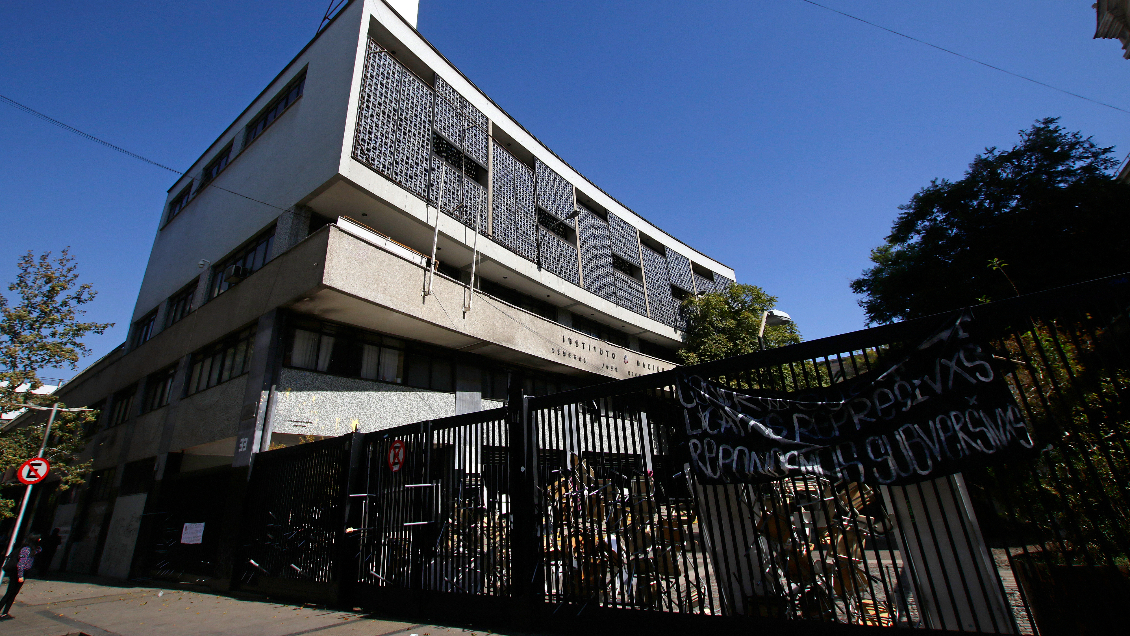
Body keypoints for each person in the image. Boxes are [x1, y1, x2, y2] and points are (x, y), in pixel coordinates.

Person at [0, 536, 41, 619]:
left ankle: (5, 612)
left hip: (23, 573)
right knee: (9, 593)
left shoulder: (32, 549)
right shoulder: (26, 549)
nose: (40, 540)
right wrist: (20, 576)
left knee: (13, 593)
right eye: (39, 538)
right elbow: (20, 564)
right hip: (17, 573)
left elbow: (39, 550)